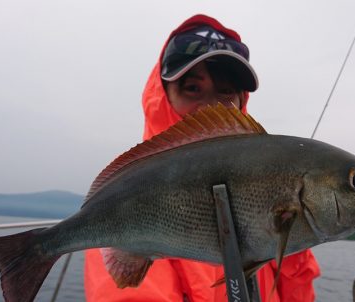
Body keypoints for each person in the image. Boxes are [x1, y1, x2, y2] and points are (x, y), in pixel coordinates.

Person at [84, 14, 320, 302]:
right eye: (192, 88)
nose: (209, 108)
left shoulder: (272, 187)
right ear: (162, 96)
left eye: (226, 92)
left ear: (240, 102)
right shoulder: (126, 201)